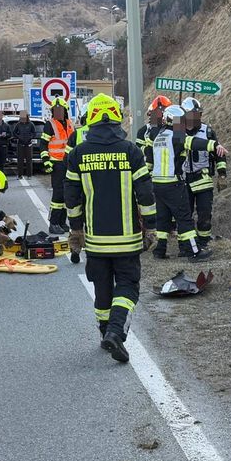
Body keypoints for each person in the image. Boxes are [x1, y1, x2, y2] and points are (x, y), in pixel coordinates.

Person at [65, 94, 158, 362]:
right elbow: (146, 194)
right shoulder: (131, 151)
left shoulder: (79, 154)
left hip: (95, 241)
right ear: (117, 118)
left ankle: (106, 330)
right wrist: (150, 227)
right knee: (127, 286)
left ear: (91, 119)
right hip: (127, 240)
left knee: (102, 288)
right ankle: (116, 333)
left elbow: (71, 196)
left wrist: (76, 230)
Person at [147, 105, 225, 260]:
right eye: (181, 120)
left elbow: (149, 158)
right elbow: (194, 143)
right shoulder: (176, 136)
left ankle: (159, 251)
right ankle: (194, 252)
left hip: (157, 184)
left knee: (163, 218)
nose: (183, 123)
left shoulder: (157, 136)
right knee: (184, 218)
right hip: (173, 184)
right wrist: (215, 145)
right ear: (173, 120)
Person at [181, 97, 225, 251]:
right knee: (185, 214)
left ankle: (203, 242)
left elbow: (219, 153)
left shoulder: (207, 131)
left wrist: (222, 174)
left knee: (204, 213)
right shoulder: (176, 130)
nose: (196, 117)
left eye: (198, 114)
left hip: (203, 179)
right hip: (183, 180)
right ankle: (188, 244)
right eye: (193, 114)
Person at [42, 98, 76, 234]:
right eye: (55, 110)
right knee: (58, 194)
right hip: (56, 164)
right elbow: (43, 144)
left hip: (69, 163)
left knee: (66, 194)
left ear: (65, 111)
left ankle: (62, 222)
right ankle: (53, 223)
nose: (58, 112)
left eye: (60, 110)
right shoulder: (49, 124)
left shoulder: (70, 124)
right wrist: (46, 161)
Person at [11, 113, 37, 178]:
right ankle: (20, 175)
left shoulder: (31, 124)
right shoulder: (18, 124)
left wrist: (30, 137)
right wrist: (19, 137)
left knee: (29, 161)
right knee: (20, 161)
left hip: (29, 145)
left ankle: (29, 175)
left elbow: (34, 133)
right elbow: (14, 132)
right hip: (20, 144)